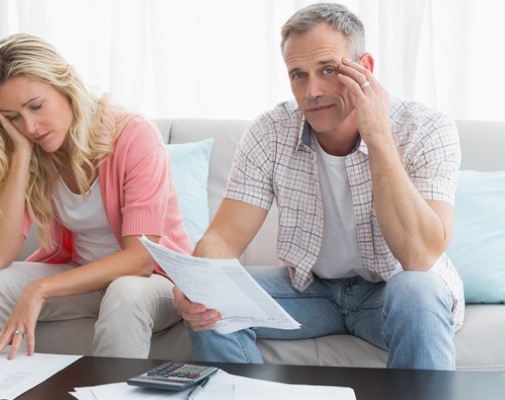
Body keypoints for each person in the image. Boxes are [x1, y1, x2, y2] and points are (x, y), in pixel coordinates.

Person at [173, 3, 463, 370]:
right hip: (311, 292)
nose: (312, 91)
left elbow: (420, 257)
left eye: (328, 70)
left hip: (392, 294)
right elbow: (224, 238)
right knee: (212, 299)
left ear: (365, 68)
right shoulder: (269, 132)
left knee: (419, 288)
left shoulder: (426, 129)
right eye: (298, 75)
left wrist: (378, 136)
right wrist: (201, 279)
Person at [0, 33, 192, 360]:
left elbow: (140, 260)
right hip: (84, 276)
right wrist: (22, 154)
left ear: (65, 85)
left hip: (154, 282)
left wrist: (40, 288)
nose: (29, 125)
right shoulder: (35, 150)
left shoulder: (132, 135)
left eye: (36, 106)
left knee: (125, 291)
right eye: (13, 117)